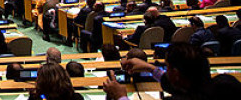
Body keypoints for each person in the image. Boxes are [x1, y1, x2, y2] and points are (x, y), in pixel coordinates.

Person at [103, 42, 241, 100]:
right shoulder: (227, 84)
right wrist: (150, 68)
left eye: (167, 67)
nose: (166, 70)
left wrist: (121, 96)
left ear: (175, 74)